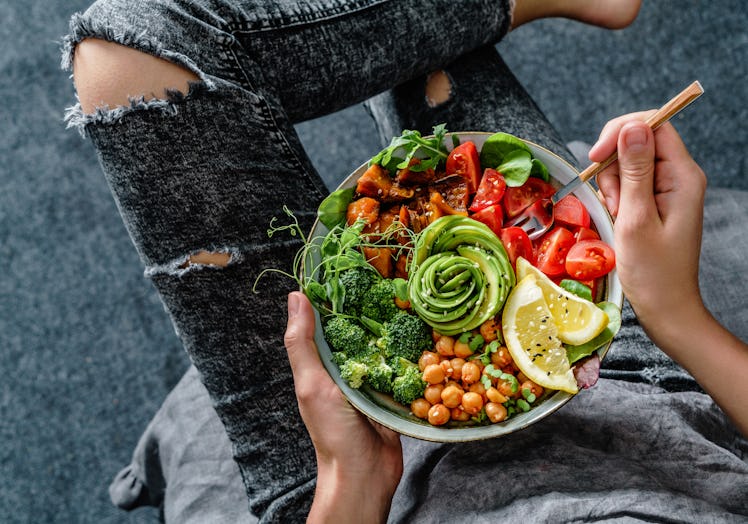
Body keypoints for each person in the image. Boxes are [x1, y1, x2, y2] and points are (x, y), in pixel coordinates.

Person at [61, 0, 747, 521]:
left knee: (123, 51)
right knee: (435, 93)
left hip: (355, 484)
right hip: (617, 381)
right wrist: (676, 315)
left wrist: (349, 488)